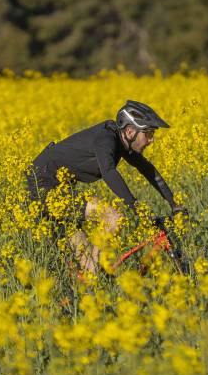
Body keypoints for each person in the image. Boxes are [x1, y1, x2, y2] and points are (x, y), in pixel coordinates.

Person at [26, 100, 181, 273]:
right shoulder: (105, 139)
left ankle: (87, 290)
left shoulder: (123, 143)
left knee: (89, 264)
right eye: (148, 134)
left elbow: (148, 170)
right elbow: (108, 172)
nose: (151, 140)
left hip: (62, 189)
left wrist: (175, 204)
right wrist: (136, 207)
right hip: (44, 188)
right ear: (130, 131)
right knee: (113, 217)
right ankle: (93, 278)